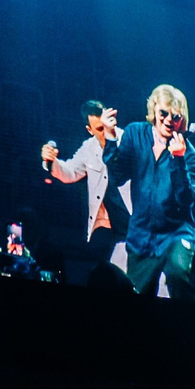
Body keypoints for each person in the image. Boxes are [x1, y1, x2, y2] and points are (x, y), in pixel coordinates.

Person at [101, 83, 195, 297]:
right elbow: (118, 176)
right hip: (142, 235)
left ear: (182, 120)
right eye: (164, 113)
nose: (168, 120)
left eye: (176, 117)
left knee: (177, 275)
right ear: (154, 110)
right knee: (138, 292)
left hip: (175, 234)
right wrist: (109, 137)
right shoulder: (135, 134)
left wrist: (178, 159)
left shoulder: (190, 156)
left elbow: (185, 200)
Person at [40, 100, 133, 286]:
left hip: (139, 221)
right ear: (90, 130)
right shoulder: (89, 148)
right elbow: (70, 172)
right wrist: (51, 162)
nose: (104, 132)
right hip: (116, 230)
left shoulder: (129, 140)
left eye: (106, 126)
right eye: (99, 129)